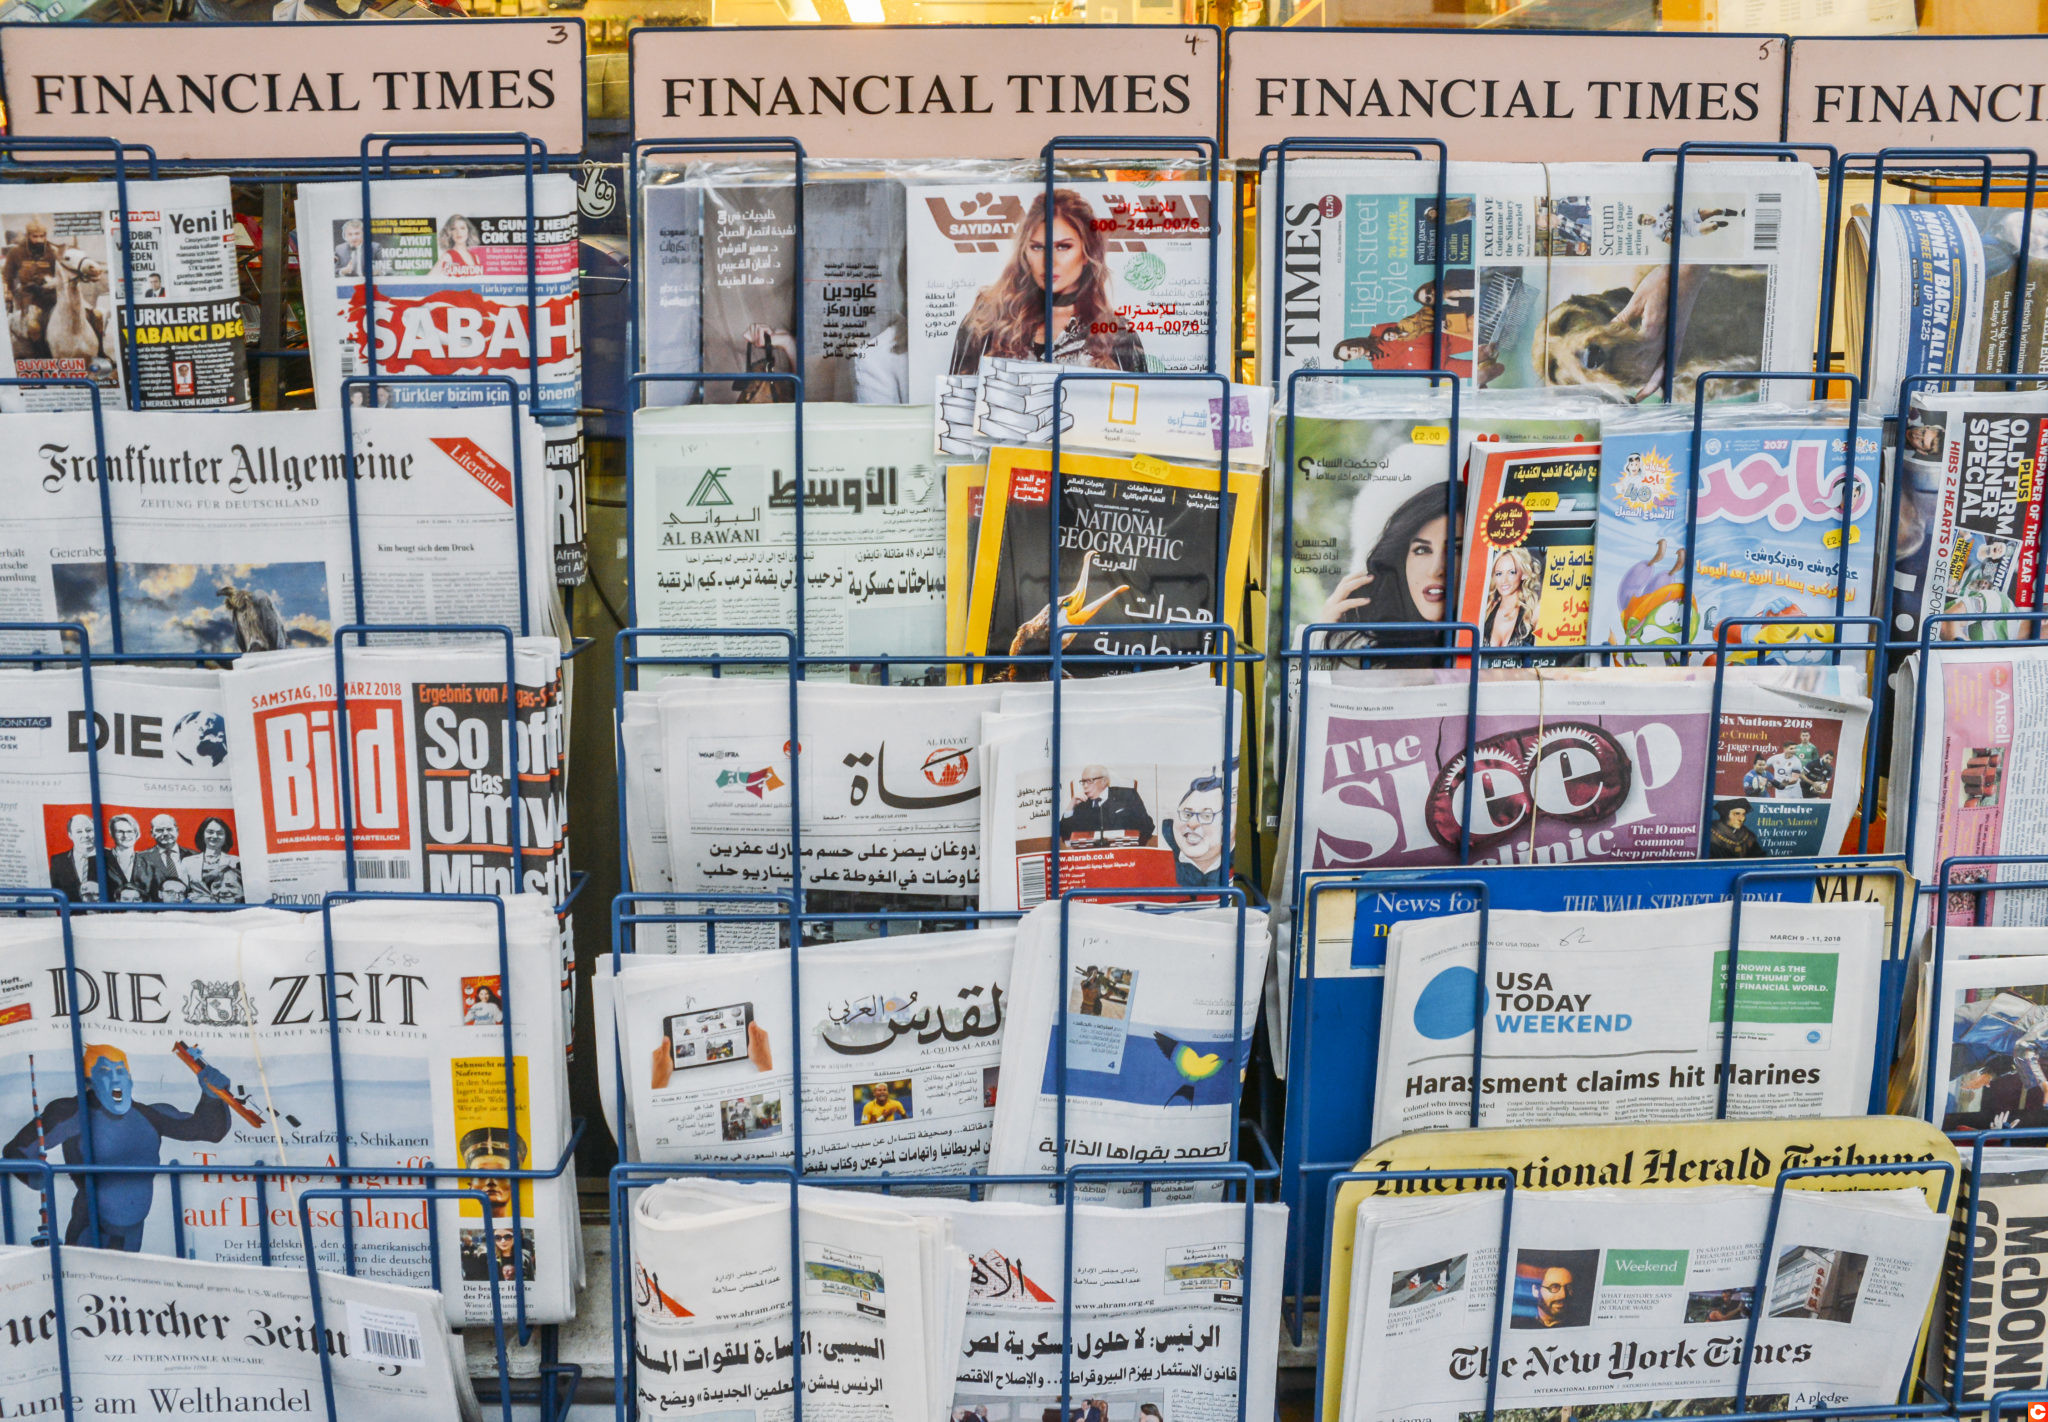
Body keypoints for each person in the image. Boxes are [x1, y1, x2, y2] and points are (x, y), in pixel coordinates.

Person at [3, 1044, 231, 1249]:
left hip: (133, 1231)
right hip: (89, 1229)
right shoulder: (72, 1113)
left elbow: (208, 1130)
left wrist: (211, 1097)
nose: (115, 1079)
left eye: (120, 1071)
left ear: (130, 1080)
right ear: (89, 1084)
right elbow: (16, 1152)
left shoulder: (151, 1115)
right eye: (104, 1072)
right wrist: (37, 1177)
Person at [948, 188, 1145, 376]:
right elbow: (957, 399)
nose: (1049, 262)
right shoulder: (986, 319)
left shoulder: (1116, 333)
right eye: (1038, 248)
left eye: (1063, 247)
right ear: (1025, 252)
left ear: (1087, 253)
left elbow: (1141, 405)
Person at [1318, 485, 1453, 651]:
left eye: (1456, 550)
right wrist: (1321, 635)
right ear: (1402, 560)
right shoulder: (1365, 649)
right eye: (1422, 550)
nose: (1436, 570)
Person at [1161, 775, 1228, 888]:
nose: (1192, 824)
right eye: (1187, 814)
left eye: (1206, 816)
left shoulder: (1228, 865)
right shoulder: (1157, 863)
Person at [1059, 765, 1154, 844]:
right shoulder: (1081, 804)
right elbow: (1065, 835)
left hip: (1125, 854)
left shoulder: (1127, 795)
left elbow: (1148, 826)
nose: (1085, 786)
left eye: (1089, 781)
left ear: (1104, 781)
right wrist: (1070, 806)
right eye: (1083, 782)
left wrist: (1135, 846)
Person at [1480, 546, 1542, 649]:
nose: (1504, 580)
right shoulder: (1487, 609)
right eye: (1499, 574)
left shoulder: (1534, 612)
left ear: (1524, 574)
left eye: (1511, 572)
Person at [178, 817, 243, 904]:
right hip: (196, 907)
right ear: (202, 834)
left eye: (220, 833)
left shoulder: (236, 861)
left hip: (226, 907)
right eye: (210, 832)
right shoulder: (187, 861)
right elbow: (182, 890)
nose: (215, 836)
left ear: (226, 837)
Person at [103, 814, 161, 904]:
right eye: (120, 832)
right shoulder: (103, 859)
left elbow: (156, 896)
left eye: (129, 831)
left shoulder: (149, 864)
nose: (125, 835)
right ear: (112, 834)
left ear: (136, 833)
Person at [47, 812, 98, 902]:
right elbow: (56, 893)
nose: (85, 835)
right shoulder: (58, 861)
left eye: (89, 830)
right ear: (70, 835)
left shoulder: (109, 856)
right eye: (79, 832)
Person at [140, 814, 186, 899]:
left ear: (177, 831)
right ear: (152, 833)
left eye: (169, 829)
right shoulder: (141, 858)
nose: (165, 833)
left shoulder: (193, 855)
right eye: (159, 830)